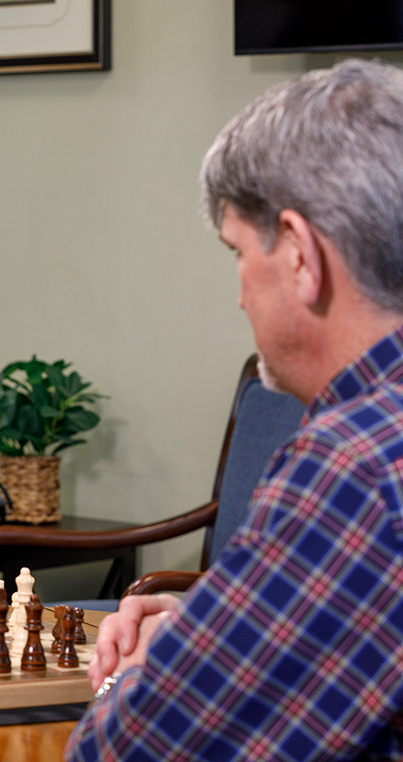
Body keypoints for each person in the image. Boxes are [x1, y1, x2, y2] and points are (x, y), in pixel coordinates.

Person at [67, 59, 403, 761]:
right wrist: (214, 627)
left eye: (238, 252)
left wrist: (136, 678)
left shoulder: (356, 468)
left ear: (302, 257)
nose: (241, 296)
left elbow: (127, 751)